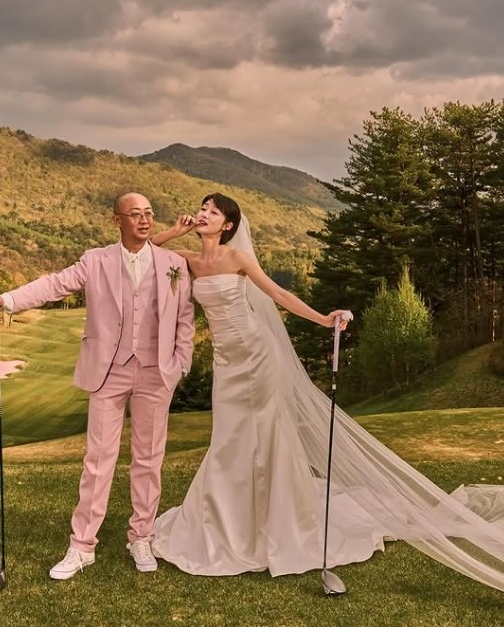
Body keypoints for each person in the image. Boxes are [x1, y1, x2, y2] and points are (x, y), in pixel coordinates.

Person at [150, 192, 504, 592]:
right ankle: (230, 516)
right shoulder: (189, 260)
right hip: (225, 360)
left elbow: (279, 295)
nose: (203, 214)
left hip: (255, 353)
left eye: (212, 212)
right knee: (229, 435)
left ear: (228, 225)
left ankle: (270, 521)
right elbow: (147, 252)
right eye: (202, 209)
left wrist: (322, 319)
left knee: (259, 433)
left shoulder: (238, 258)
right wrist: (174, 230)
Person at [0, 192, 194, 580]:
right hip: (108, 372)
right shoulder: (95, 260)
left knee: (149, 459)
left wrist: (180, 364)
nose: (144, 220)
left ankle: (141, 537)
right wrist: (7, 300)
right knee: (98, 459)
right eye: (135, 214)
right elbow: (55, 284)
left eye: (149, 213)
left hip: (156, 373)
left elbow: (185, 317)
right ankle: (82, 546)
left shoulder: (173, 263)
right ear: (117, 220)